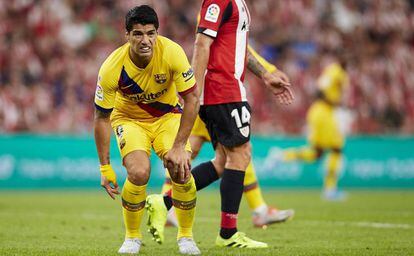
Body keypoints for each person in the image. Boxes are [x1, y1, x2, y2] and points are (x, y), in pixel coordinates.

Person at [146, 0, 294, 249]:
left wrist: (266, 74)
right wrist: (193, 90)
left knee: (223, 162)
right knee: (240, 155)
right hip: (222, 91)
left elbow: (239, 48)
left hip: (225, 90)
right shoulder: (219, 1)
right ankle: (228, 233)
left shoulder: (238, 3)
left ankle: (165, 202)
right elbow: (202, 43)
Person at [93, 5, 201, 255]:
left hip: (167, 117)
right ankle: (132, 238)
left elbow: (193, 99)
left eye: (150, 33)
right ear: (127, 35)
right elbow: (101, 118)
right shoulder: (111, 68)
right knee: (139, 172)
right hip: (129, 120)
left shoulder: (172, 52)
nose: (145, 40)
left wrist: (178, 147)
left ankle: (186, 238)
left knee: (181, 169)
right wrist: (105, 167)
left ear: (157, 33)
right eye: (138, 34)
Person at [160, 45, 295, 229]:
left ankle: (165, 205)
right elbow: (233, 46)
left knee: (225, 153)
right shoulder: (218, 15)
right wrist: (269, 71)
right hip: (217, 94)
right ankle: (254, 213)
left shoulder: (225, 16)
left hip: (208, 94)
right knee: (236, 152)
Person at [273, 51, 349, 200]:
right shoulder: (335, 71)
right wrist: (332, 101)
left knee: (316, 153)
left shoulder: (338, 72)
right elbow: (319, 89)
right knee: (336, 148)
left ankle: (281, 156)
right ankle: (330, 190)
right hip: (323, 112)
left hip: (322, 113)